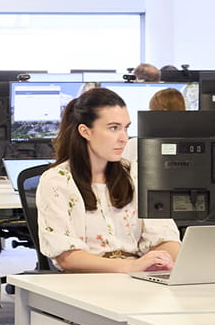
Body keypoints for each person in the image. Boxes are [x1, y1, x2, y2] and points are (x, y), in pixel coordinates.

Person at [34, 87, 182, 274]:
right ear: (85, 131)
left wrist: (174, 262)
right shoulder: (57, 181)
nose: (124, 138)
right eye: (113, 128)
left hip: (137, 277)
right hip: (86, 283)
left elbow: (163, 237)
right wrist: (131, 267)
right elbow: (68, 257)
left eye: (126, 128)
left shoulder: (136, 174)